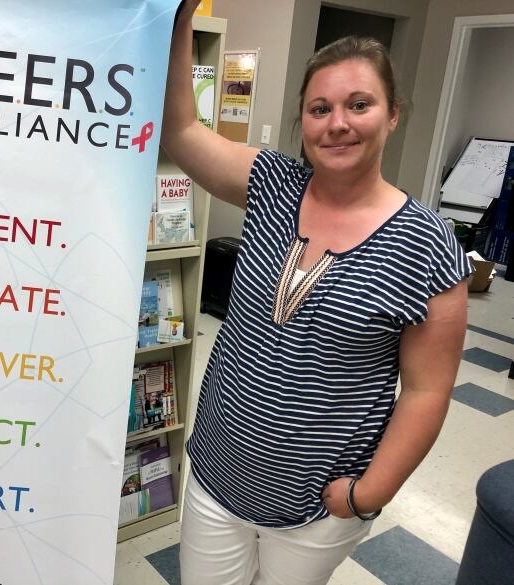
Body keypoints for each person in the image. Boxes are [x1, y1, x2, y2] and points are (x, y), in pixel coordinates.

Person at [161, 2, 471, 584]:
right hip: (217, 472)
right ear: (302, 119)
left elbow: (427, 390)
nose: (338, 123)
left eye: (360, 104)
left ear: (393, 115)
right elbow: (180, 130)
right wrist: (179, 17)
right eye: (319, 108)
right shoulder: (272, 184)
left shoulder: (426, 244)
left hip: (319, 504)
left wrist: (365, 494)